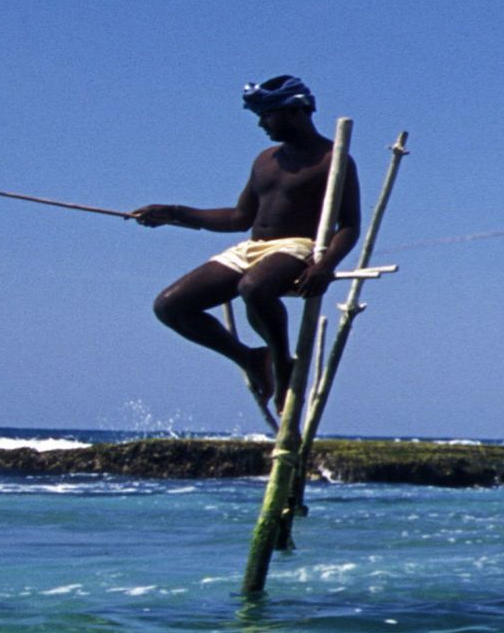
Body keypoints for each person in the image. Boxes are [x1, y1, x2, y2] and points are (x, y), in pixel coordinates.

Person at [135, 75, 362, 423]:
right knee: (170, 306)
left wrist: (325, 265)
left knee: (254, 288)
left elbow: (349, 226)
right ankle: (252, 359)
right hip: (253, 246)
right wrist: (174, 213)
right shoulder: (265, 160)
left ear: (295, 111)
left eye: (267, 115)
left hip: (299, 246)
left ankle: (282, 362)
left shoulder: (334, 159)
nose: (261, 124)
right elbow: (240, 217)